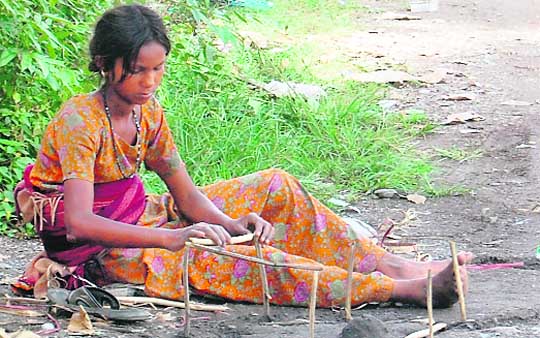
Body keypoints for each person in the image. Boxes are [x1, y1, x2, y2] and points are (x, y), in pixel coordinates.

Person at [13, 4, 471, 309]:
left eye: (158, 70)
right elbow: (78, 223)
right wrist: (175, 239)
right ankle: (401, 289)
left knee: (273, 185)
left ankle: (384, 262)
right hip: (101, 253)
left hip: (143, 218)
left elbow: (185, 193)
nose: (149, 82)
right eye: (137, 71)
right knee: (245, 259)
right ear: (104, 63)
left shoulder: (147, 113)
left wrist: (230, 222)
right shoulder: (80, 120)